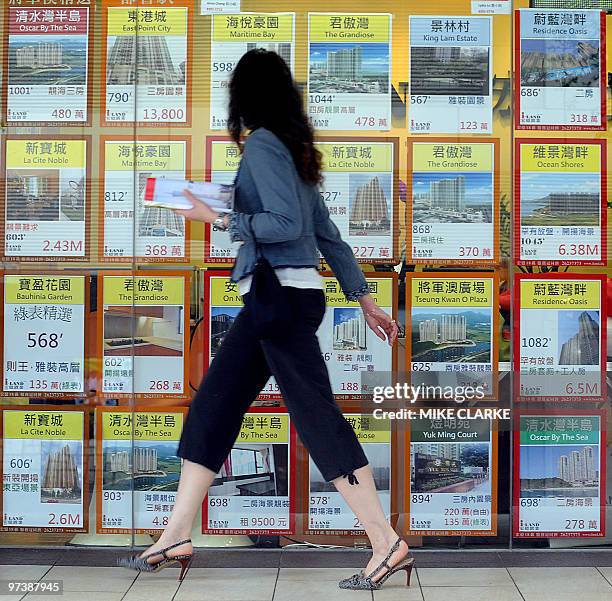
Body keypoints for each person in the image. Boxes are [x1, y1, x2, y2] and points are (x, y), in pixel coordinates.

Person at [118, 49, 414, 591]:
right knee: (214, 405)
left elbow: (280, 224)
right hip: (279, 300)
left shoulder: (262, 146)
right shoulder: (295, 154)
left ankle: (386, 542)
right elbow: (326, 234)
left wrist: (223, 216)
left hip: (277, 297)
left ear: (244, 96)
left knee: (315, 416)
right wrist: (364, 298)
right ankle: (176, 533)